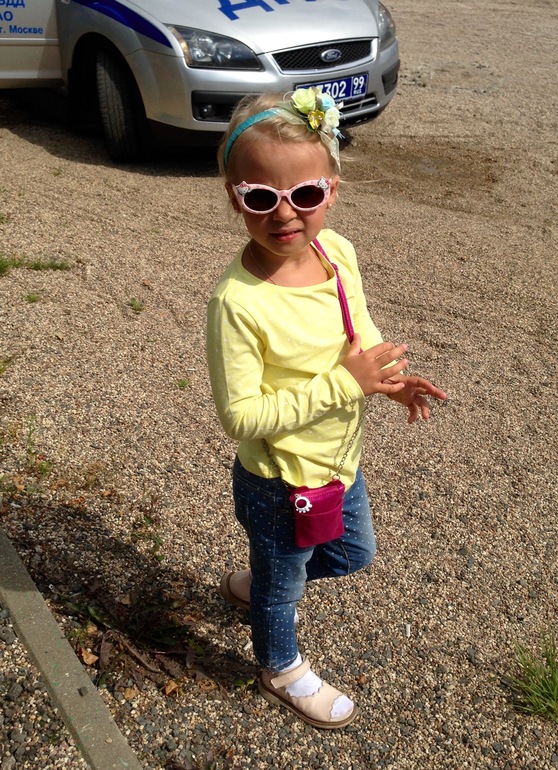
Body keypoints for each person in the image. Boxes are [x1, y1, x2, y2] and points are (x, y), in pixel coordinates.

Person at [206, 87, 446, 730]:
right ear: (235, 197)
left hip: (338, 461)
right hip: (280, 481)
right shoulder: (238, 303)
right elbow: (241, 417)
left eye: (305, 193)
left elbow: (356, 329)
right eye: (261, 197)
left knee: (352, 554)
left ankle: (262, 582)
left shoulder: (335, 252)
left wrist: (388, 379)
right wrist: (347, 383)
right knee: (284, 587)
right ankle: (280, 666)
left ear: (332, 190)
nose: (286, 214)